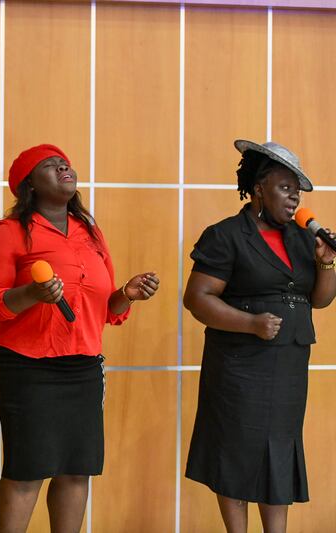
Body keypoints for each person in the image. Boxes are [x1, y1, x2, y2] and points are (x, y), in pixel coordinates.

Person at [0, 144, 160, 533]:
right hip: (27, 367)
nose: (62, 166)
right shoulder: (9, 233)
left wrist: (126, 292)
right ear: (29, 186)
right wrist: (30, 295)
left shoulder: (90, 232)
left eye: (64, 162)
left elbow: (107, 309)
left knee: (77, 470)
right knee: (27, 470)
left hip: (83, 366)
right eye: (49, 165)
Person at [184, 140, 336, 533]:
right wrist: (250, 323)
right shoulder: (227, 235)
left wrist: (326, 260)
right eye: (285, 188)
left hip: (287, 364)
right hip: (239, 365)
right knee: (236, 450)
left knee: (279, 452)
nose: (293, 199)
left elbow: (319, 300)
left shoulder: (303, 238)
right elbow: (197, 298)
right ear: (258, 190)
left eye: (296, 192)